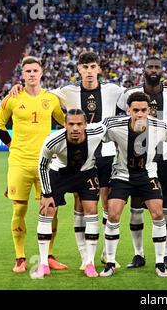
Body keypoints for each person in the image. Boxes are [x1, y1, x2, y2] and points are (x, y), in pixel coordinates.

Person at [9, 51, 124, 270]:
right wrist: (19, 87)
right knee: (82, 204)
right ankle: (85, 258)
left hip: (106, 154)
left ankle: (108, 256)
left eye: (93, 67)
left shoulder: (113, 90)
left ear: (99, 68)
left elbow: (137, 95)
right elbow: (38, 92)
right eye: (84, 67)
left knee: (107, 205)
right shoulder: (66, 91)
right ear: (78, 69)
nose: (89, 71)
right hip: (80, 158)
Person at [0, 56, 66, 273]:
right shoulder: (12, 99)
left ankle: (49, 255)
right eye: (28, 71)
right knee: (19, 209)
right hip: (19, 162)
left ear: (41, 72)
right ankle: (20, 257)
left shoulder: (51, 99)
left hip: (45, 162)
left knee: (51, 208)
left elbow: (65, 122)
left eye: (35, 70)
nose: (32, 74)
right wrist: (10, 144)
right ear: (22, 74)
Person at [117, 57, 167, 270]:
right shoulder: (130, 94)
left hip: (165, 156)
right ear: (144, 70)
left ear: (162, 70)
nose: (154, 70)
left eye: (157, 67)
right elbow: (121, 118)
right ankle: (139, 254)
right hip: (137, 159)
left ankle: (165, 255)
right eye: (150, 67)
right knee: (136, 207)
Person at [101, 92, 167, 277]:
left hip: (148, 175)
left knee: (158, 213)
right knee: (113, 214)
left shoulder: (161, 126)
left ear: (149, 110)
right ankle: (110, 262)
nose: (140, 114)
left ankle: (159, 262)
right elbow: (95, 135)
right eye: (135, 110)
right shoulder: (114, 125)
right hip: (123, 175)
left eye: (143, 110)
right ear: (128, 110)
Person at [32, 109, 109, 279]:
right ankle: (44, 263)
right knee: (47, 210)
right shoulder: (53, 141)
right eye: (71, 124)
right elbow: (42, 166)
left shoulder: (96, 132)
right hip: (59, 173)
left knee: (91, 210)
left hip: (86, 173)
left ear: (86, 125)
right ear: (65, 124)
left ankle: (89, 262)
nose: (75, 128)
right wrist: (46, 193)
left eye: (79, 124)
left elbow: (110, 123)